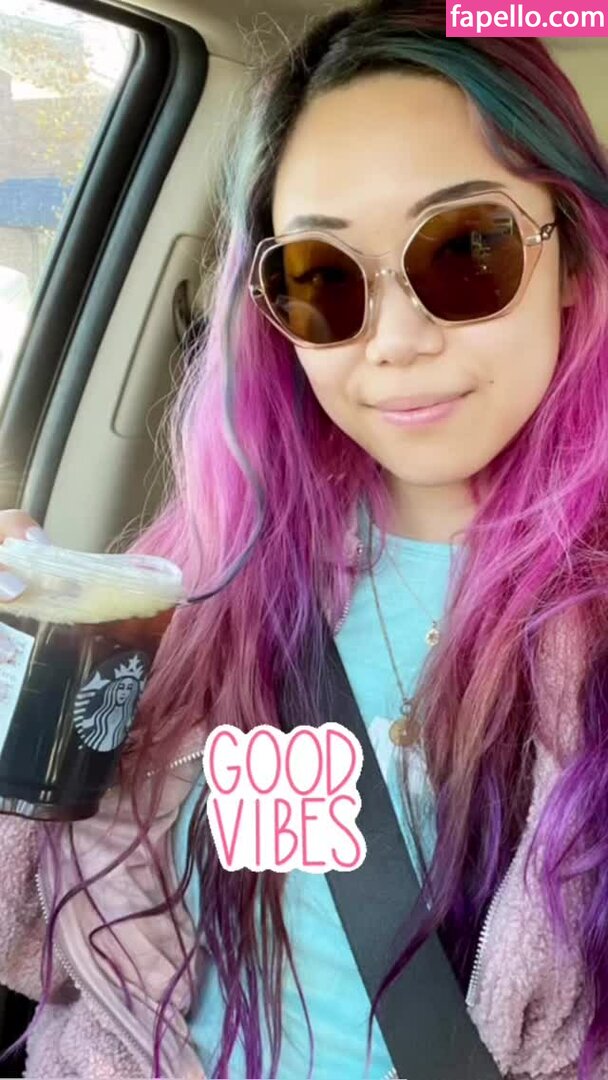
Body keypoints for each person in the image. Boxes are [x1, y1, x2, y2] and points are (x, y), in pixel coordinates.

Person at [0, 0, 606, 1076]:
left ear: (568, 256)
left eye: (466, 248)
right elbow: (38, 931)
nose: (397, 341)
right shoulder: (195, 581)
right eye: (323, 275)